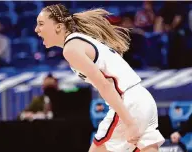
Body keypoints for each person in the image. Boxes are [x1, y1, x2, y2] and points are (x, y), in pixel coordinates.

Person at [35, 4, 165, 152]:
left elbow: (105, 86)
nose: (36, 29)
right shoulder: (82, 40)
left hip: (128, 103)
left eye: (41, 24)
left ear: (58, 27)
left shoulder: (71, 48)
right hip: (143, 98)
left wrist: (129, 123)